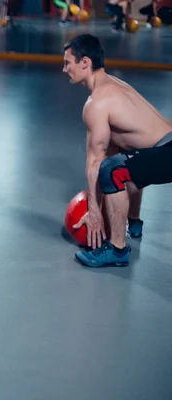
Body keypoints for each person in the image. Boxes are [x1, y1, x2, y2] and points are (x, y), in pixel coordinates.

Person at [62, 34, 172, 268]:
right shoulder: (113, 84)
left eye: (67, 63)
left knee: (113, 171)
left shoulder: (96, 103)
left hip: (168, 150)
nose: (64, 70)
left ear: (85, 63)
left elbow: (95, 164)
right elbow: (119, 151)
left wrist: (94, 213)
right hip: (165, 147)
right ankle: (134, 223)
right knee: (123, 162)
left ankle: (117, 249)